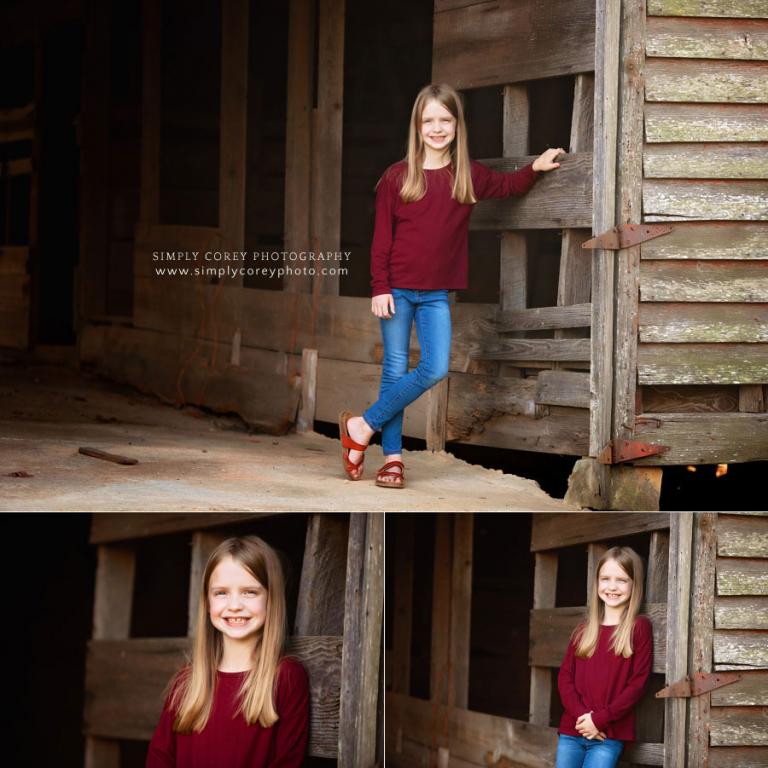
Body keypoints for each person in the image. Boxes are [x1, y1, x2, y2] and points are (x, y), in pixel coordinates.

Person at [338, 82, 564, 488]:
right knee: (394, 372)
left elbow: (507, 187)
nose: (437, 128)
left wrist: (535, 168)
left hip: (435, 295)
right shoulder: (397, 177)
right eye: (429, 121)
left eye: (445, 120)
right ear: (417, 126)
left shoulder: (467, 175)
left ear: (457, 126)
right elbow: (381, 240)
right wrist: (379, 287)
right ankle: (392, 459)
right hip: (397, 290)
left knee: (435, 367)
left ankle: (361, 427)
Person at [146, 536, 309, 768]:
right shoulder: (187, 683)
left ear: (271, 599)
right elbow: (159, 759)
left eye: (249, 592)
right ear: (207, 602)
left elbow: (287, 762)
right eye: (221, 593)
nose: (234, 605)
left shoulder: (285, 677)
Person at [556, 546, 653, 768]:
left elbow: (637, 685)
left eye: (621, 580)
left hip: (607, 735)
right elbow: (565, 678)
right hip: (573, 731)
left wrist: (598, 720)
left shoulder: (639, 628)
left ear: (634, 584)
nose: (612, 586)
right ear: (597, 583)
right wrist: (584, 719)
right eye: (605, 578)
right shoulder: (584, 629)